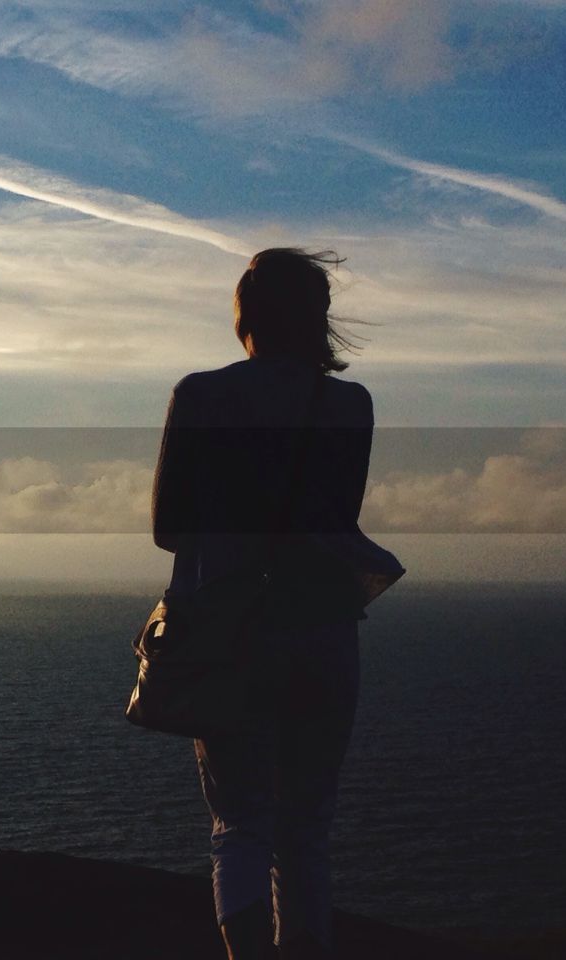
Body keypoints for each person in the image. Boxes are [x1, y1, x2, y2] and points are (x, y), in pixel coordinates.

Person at [151, 248, 395, 959]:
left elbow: (168, 528)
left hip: (231, 632)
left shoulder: (200, 395)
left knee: (240, 825)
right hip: (323, 628)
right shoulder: (350, 405)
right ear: (316, 320)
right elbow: (337, 518)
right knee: (306, 830)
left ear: (246, 314)